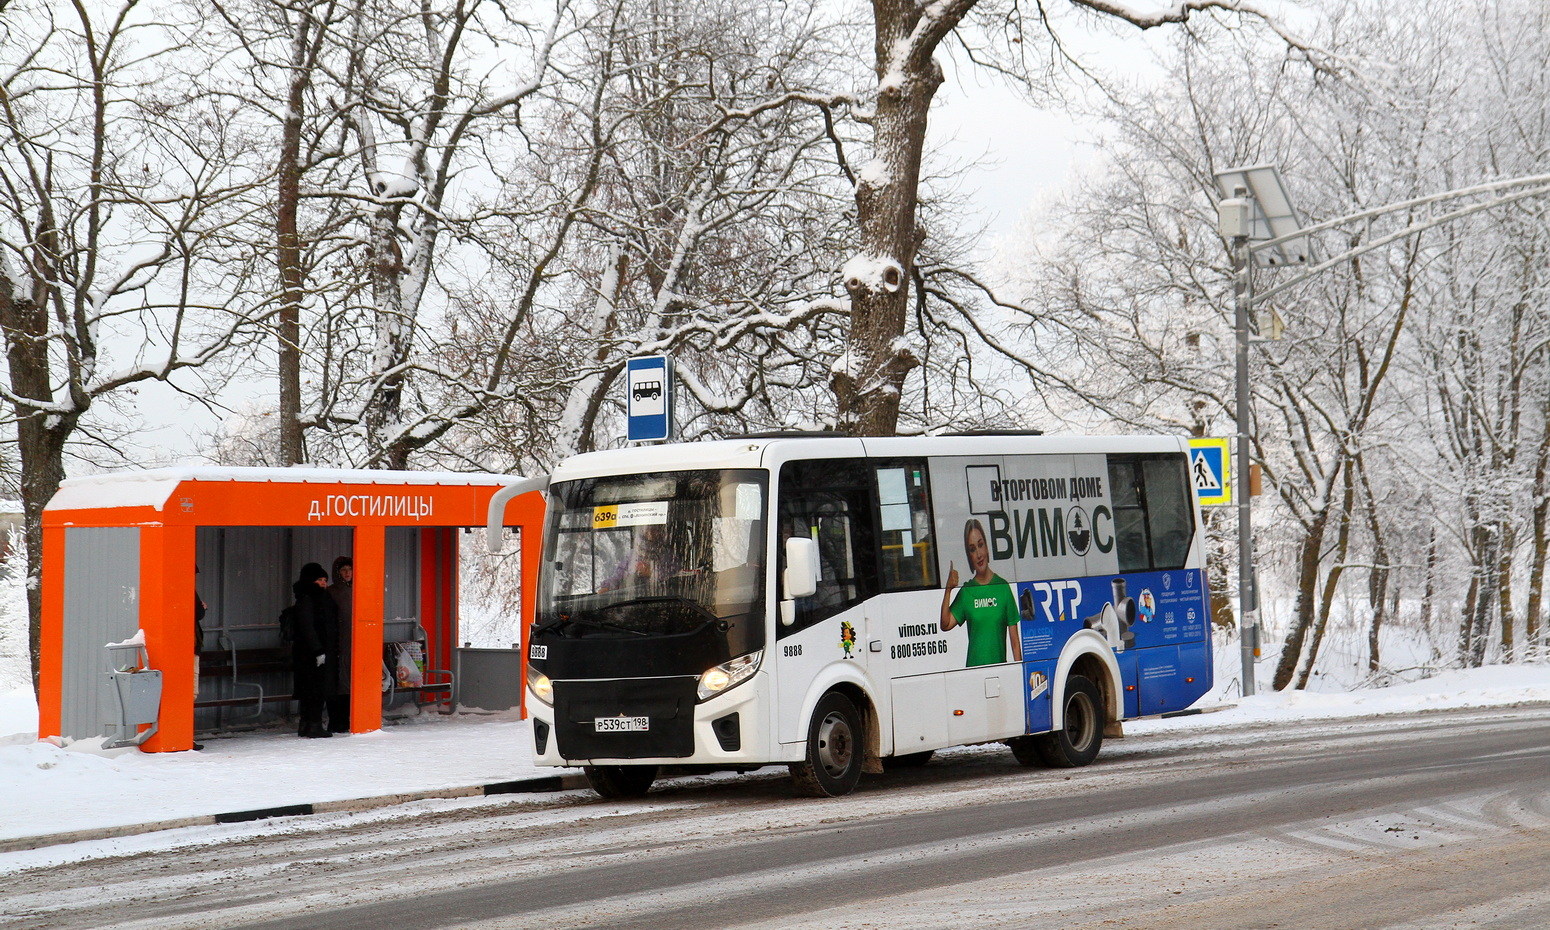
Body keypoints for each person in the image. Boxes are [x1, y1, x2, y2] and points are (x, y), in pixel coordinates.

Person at [939, 518, 1022, 668]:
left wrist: (1018, 674)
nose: (978, 554)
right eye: (972, 549)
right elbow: (945, 624)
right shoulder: (967, 591)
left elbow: (1015, 643)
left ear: (987, 548)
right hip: (973, 673)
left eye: (980, 545)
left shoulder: (1003, 587)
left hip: (1000, 672)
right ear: (969, 557)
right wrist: (948, 590)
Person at [291, 562, 339, 739]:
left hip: (311, 652)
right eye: (319, 580)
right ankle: (314, 725)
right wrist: (318, 649)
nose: (323, 583)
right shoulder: (310, 599)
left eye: (325, 580)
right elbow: (307, 626)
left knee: (311, 689)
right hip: (314, 653)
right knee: (315, 689)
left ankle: (307, 724)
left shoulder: (309, 597)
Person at [326, 556, 354, 733]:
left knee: (348, 680)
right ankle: (339, 720)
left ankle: (347, 719)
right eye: (343, 570)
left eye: (350, 569)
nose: (347, 573)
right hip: (340, 644)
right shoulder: (333, 592)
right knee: (342, 682)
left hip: (352, 643)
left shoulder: (356, 590)